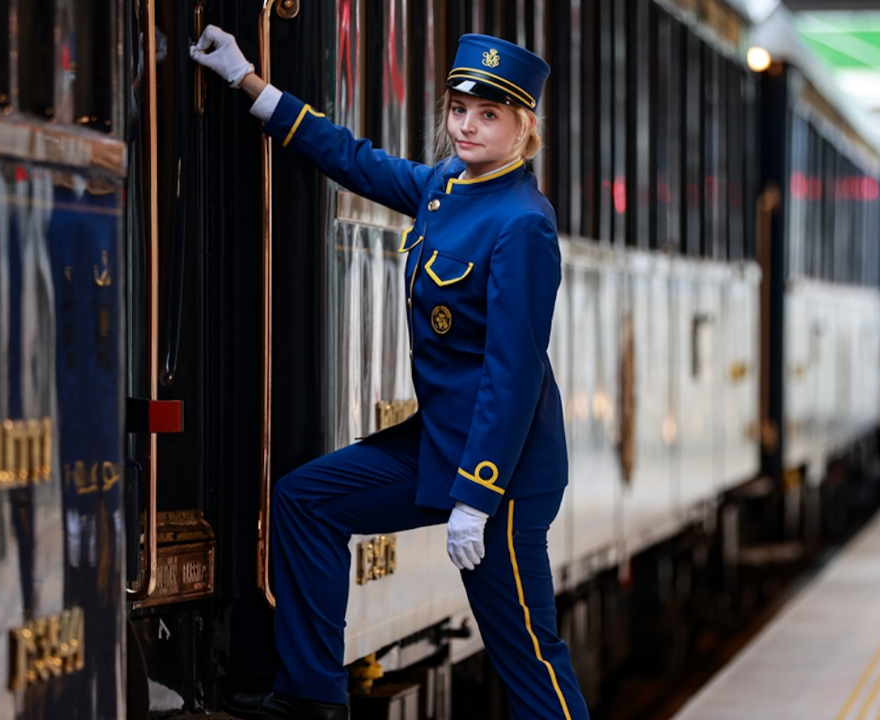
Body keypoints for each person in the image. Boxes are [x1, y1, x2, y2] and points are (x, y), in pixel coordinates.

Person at [191, 24, 590, 720]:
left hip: (504, 473)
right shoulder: (444, 189)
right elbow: (354, 159)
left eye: (488, 115)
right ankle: (312, 696)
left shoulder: (524, 224)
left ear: (524, 128)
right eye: (459, 109)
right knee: (304, 502)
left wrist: (478, 496)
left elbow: (514, 372)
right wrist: (248, 83)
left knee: (527, 652)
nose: (466, 126)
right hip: (438, 445)